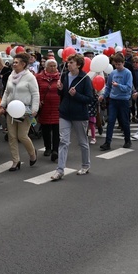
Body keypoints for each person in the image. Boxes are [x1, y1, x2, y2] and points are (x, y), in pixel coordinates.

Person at [51, 53, 95, 181]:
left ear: (79, 65)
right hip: (65, 113)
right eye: (68, 62)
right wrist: (60, 89)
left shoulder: (85, 79)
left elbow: (89, 98)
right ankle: (60, 170)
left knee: (82, 142)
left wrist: (76, 95)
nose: (68, 64)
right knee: (63, 141)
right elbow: (63, 94)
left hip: (79, 115)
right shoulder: (64, 76)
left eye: (71, 62)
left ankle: (86, 165)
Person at [0, 52, 39, 171]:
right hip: (11, 110)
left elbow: (35, 94)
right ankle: (15, 161)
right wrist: (2, 105)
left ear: (23, 64)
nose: (13, 64)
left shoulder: (30, 77)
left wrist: (35, 109)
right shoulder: (11, 75)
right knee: (12, 136)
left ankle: (32, 154)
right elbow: (7, 92)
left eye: (16, 62)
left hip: (25, 111)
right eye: (13, 62)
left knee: (22, 135)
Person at [99, 53, 133, 150]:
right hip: (113, 100)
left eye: (119, 64)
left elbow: (128, 88)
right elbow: (108, 87)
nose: (117, 66)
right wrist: (103, 95)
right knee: (111, 121)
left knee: (124, 121)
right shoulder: (113, 73)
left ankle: (127, 140)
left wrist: (118, 85)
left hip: (124, 100)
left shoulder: (127, 73)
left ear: (123, 63)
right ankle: (107, 142)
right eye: (116, 64)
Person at [36, 58, 61, 161]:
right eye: (50, 66)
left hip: (57, 106)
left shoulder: (61, 77)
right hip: (44, 106)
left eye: (54, 66)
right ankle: (48, 148)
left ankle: (55, 149)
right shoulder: (38, 77)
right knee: (45, 128)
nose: (53, 68)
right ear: (45, 67)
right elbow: (35, 90)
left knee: (56, 129)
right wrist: (38, 101)